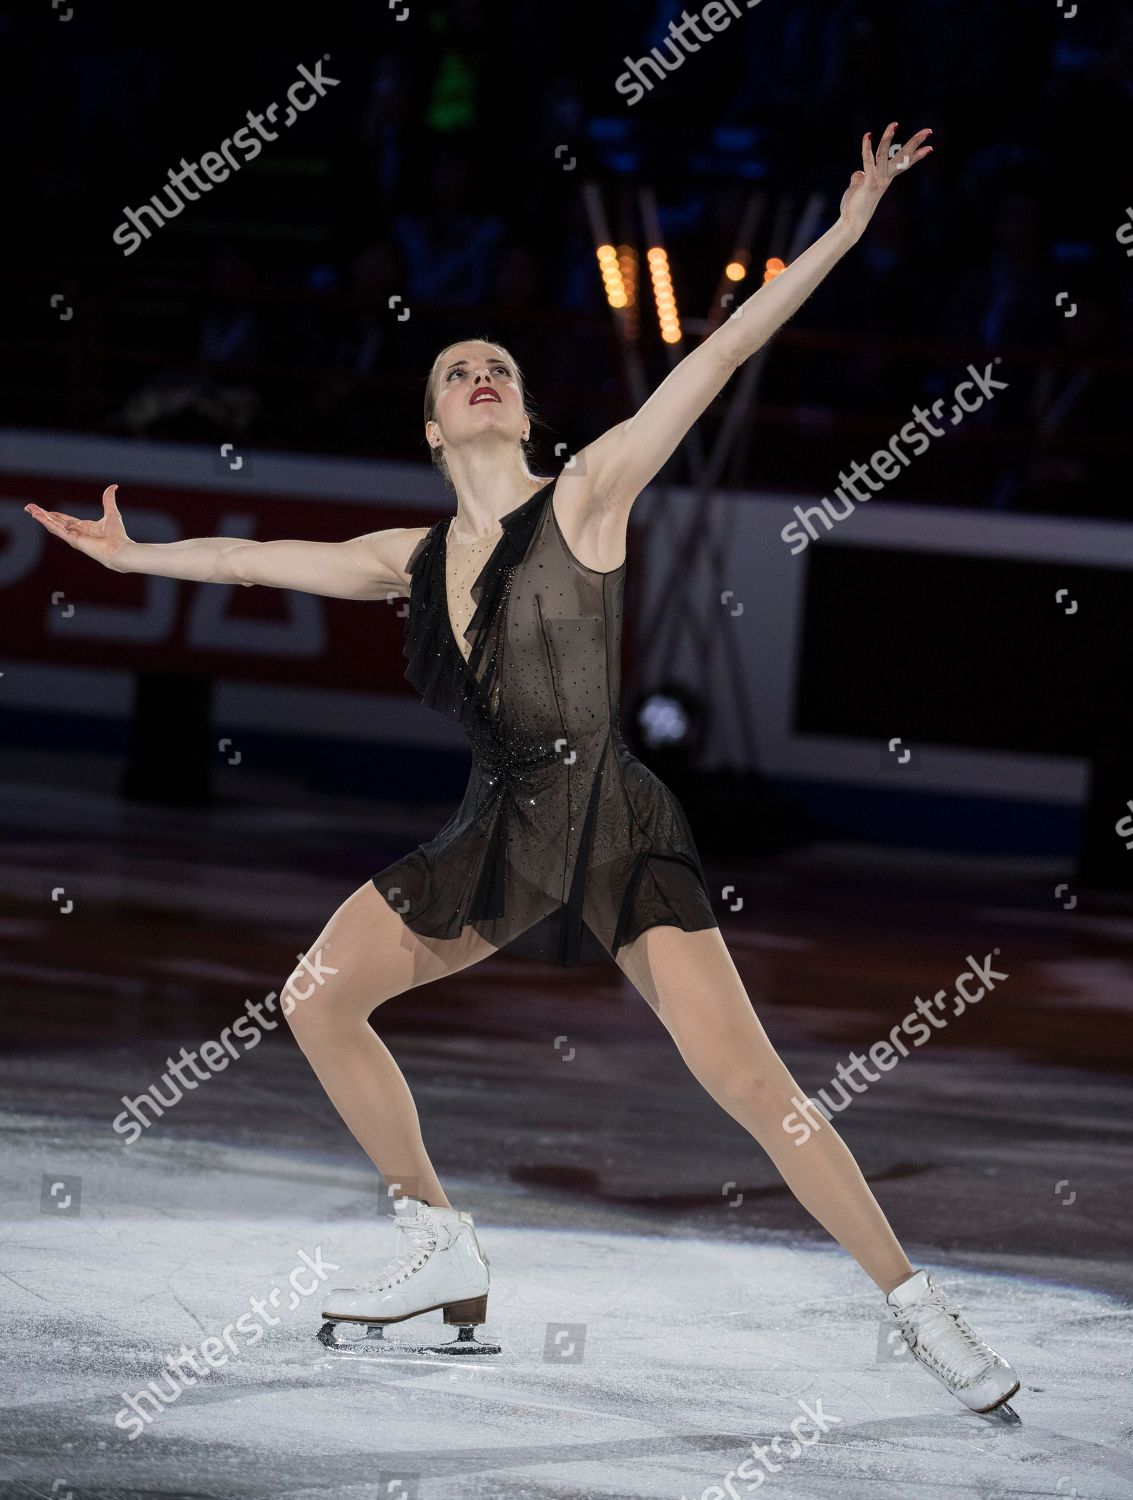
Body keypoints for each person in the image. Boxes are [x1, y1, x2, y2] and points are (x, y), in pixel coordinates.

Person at [25, 124, 1021, 1418]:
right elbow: (254, 560)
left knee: (753, 1088)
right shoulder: (409, 551)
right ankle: (437, 1242)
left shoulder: (589, 491)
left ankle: (916, 1306)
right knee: (317, 994)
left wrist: (841, 229)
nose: (482, 374)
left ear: (523, 409)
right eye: (458, 372)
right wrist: (131, 559)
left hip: (612, 822)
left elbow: (718, 356)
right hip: (497, 829)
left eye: (496, 365)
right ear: (433, 423)